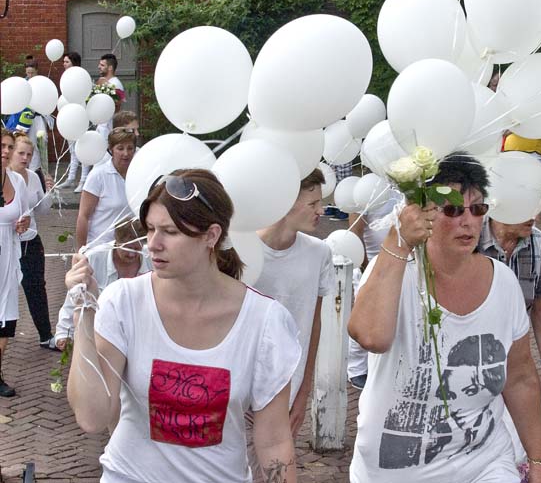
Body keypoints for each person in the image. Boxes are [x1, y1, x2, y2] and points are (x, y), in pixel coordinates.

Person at [67, 168, 301, 482]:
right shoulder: (123, 301)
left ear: (212, 235)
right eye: (149, 229)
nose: (153, 243)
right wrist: (84, 314)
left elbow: (274, 441)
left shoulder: (264, 321)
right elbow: (93, 417)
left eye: (170, 232)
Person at [348, 153, 541, 483]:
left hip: (483, 461)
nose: (467, 220)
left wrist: (539, 461)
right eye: (453, 209)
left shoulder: (503, 282)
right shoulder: (395, 270)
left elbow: (519, 376)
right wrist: (396, 240)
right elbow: (370, 336)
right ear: (424, 211)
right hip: (395, 468)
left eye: (478, 209)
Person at [252, 168, 334, 437]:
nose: (321, 211)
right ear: (284, 202)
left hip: (286, 389)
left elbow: (313, 323)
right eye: (312, 203)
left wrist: (303, 390)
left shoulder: (319, 253)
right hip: (238, 387)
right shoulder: (243, 250)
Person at [54, 217, 151, 351]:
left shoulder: (151, 259)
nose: (131, 254)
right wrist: (64, 333)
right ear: (117, 242)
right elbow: (74, 296)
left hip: (138, 337)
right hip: (97, 334)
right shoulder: (93, 257)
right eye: (127, 248)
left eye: (136, 249)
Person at [478, 217, 541, 384]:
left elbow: (540, 306)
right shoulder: (471, 238)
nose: (535, 217)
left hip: (515, 356)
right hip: (471, 352)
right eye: (526, 208)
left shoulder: (540, 244)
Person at [346, 192, 402, 390]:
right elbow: (355, 232)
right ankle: (355, 368)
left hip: (396, 264)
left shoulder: (404, 190)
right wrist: (364, 265)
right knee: (364, 314)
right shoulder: (365, 190)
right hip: (369, 264)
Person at [8, 133, 57, 350]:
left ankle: (46, 336)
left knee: (36, 287)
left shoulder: (32, 176)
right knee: (6, 290)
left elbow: (43, 210)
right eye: (21, 153)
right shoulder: (5, 177)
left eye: (29, 154)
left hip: (31, 240)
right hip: (7, 243)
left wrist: (49, 191)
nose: (25, 158)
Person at [0, 130, 31, 397]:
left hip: (8, 257)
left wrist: (24, 223)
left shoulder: (17, 182)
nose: (6, 151)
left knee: (6, 319)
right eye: (2, 145)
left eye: (10, 146)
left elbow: (26, 217)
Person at [75, 128, 135, 249]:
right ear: (111, 150)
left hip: (131, 247)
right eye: (120, 148)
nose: (126, 153)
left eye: (130, 148)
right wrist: (80, 251)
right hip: (101, 248)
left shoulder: (138, 174)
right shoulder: (98, 176)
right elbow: (83, 216)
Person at [61, 52, 90, 190]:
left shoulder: (81, 76)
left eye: (67, 62)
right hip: (68, 117)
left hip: (79, 115)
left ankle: (83, 180)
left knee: (82, 149)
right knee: (72, 150)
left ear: (74, 62)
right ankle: (71, 178)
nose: (64, 64)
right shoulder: (64, 77)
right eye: (64, 62)